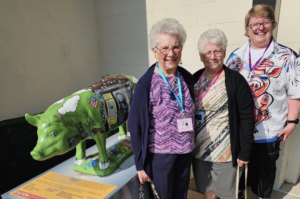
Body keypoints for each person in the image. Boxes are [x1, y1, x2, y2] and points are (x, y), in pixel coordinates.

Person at [226, 4, 300, 199]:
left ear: (273, 25)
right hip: (239, 131)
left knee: (264, 177)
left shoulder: (288, 57)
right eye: (255, 23)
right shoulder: (235, 57)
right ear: (247, 29)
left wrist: (292, 122)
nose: (260, 27)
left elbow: (295, 92)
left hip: (269, 130)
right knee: (237, 176)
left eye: (265, 22)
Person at [128, 18, 195, 199]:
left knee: (180, 196)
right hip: (160, 156)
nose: (171, 53)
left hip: (185, 152)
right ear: (155, 51)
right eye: (164, 48)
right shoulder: (146, 83)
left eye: (175, 47)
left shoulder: (187, 78)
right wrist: (140, 165)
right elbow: (135, 126)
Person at [192, 28, 254, 199]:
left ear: (224, 52)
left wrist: (245, 151)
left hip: (226, 152)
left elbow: (247, 117)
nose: (212, 56)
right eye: (208, 52)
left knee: (228, 194)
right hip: (199, 150)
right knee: (207, 190)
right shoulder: (194, 79)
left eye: (217, 51)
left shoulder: (236, 81)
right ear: (200, 55)